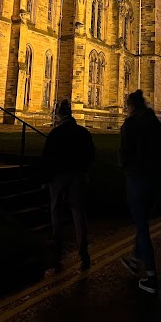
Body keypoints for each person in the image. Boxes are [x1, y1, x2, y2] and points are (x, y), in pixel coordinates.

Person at [119, 90, 161, 294]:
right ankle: (134, 259)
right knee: (143, 223)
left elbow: (124, 154)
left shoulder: (130, 124)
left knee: (142, 229)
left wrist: (125, 169)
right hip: (157, 182)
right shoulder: (157, 125)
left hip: (138, 180)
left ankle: (151, 277)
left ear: (131, 106)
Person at [41, 99, 95, 271]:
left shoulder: (55, 134)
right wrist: (85, 172)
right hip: (77, 176)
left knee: (56, 210)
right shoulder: (83, 133)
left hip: (58, 178)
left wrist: (45, 179)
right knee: (79, 214)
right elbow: (90, 154)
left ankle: (58, 247)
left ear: (59, 115)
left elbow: (47, 158)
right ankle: (83, 253)